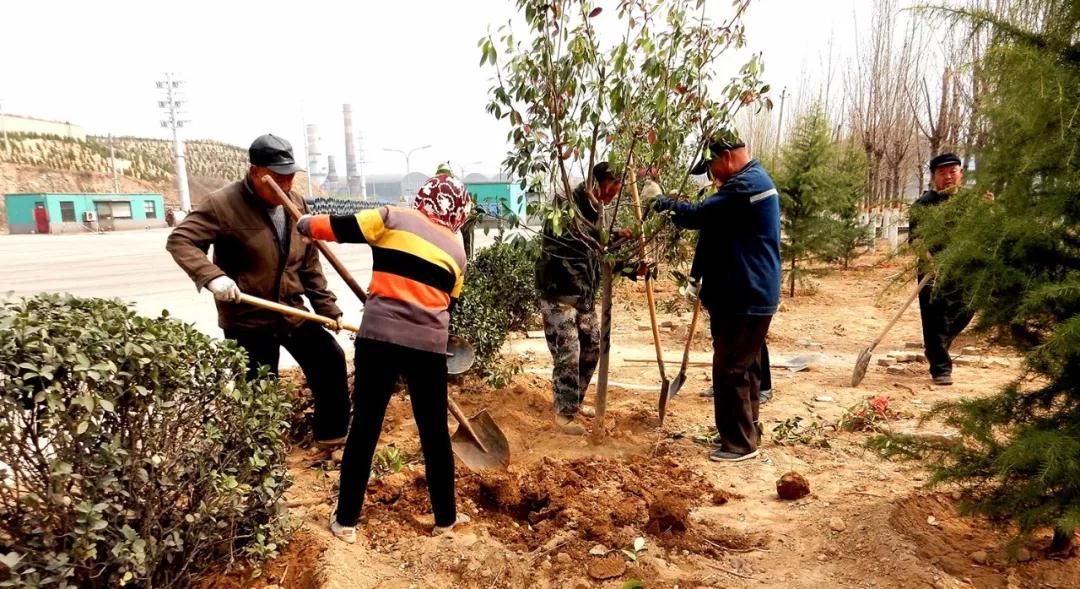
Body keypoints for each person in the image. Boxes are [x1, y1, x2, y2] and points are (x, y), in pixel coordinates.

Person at [296, 172, 471, 543]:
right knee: (434, 433)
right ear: (457, 212)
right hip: (428, 346)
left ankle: (345, 522)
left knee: (365, 427)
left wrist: (306, 224)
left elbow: (339, 227)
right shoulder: (458, 254)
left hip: (379, 339)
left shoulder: (392, 217)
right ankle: (446, 519)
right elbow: (448, 305)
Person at [166, 134, 350, 448]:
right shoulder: (222, 204)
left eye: (290, 176)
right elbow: (180, 240)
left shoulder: (296, 203)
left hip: (290, 311)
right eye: (278, 177)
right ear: (255, 172)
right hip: (248, 319)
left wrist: (327, 308)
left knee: (329, 358)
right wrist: (213, 277)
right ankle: (262, 457)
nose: (286, 184)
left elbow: (309, 264)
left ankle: (331, 439)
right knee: (258, 389)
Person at [653, 133, 781, 462]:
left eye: (711, 167)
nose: (711, 176)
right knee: (745, 368)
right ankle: (747, 433)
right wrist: (696, 280)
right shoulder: (750, 182)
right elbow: (712, 235)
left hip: (746, 294)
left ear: (725, 157)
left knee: (731, 369)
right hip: (747, 293)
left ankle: (739, 445)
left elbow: (697, 216)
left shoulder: (745, 185)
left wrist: (660, 201)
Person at [535, 163, 633, 435]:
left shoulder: (599, 211)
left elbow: (601, 254)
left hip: (583, 294)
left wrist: (629, 267)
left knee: (592, 347)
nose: (610, 197)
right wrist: (610, 235)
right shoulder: (566, 204)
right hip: (558, 291)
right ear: (594, 183)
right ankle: (564, 414)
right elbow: (575, 239)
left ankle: (574, 402)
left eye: (615, 193)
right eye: (608, 190)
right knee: (569, 350)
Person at [908, 152, 975, 386]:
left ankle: (937, 346)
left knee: (966, 309)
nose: (947, 177)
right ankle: (941, 369)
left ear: (961, 174)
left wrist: (989, 209)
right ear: (933, 177)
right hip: (932, 269)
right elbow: (916, 240)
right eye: (942, 173)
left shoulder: (971, 201)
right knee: (934, 319)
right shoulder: (924, 204)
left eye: (952, 172)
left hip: (963, 267)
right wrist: (930, 262)